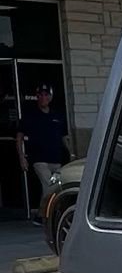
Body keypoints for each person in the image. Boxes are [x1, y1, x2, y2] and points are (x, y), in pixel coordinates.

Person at [16, 84, 72, 218]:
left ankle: (41, 214)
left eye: (46, 95)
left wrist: (71, 153)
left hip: (56, 159)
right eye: (40, 95)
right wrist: (22, 157)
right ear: (37, 97)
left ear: (51, 97)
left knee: (54, 188)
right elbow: (19, 138)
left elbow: (64, 137)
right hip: (39, 159)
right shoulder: (30, 116)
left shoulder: (57, 116)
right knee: (49, 186)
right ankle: (48, 216)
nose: (43, 98)